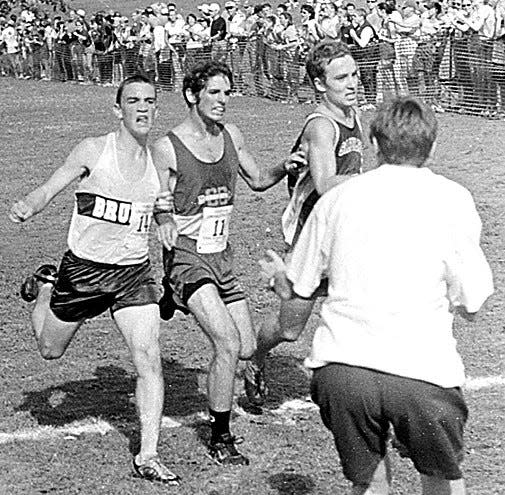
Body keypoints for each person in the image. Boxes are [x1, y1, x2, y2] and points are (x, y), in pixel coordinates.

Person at [259, 97, 493, 495]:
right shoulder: (453, 198)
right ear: (432, 147)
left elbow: (299, 288)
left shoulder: (336, 199)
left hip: (344, 370)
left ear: (373, 143)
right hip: (422, 373)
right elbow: (474, 303)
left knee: (369, 482)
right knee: (441, 479)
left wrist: (283, 282)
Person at [9, 75, 180, 486]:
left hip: (133, 273)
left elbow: (161, 206)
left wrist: (167, 221)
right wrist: (30, 205)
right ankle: (47, 286)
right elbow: (52, 186)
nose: (143, 108)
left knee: (149, 358)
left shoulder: (158, 158)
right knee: (50, 350)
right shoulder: (94, 149)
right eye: (134, 101)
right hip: (84, 271)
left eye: (150, 101)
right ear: (118, 109)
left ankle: (148, 454)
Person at [151, 60, 304, 466]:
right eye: (214, 92)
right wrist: (164, 219)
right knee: (228, 343)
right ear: (192, 95)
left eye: (227, 92)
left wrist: (284, 166)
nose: (222, 100)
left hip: (222, 256)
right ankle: (221, 436)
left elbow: (256, 180)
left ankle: (172, 298)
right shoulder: (167, 146)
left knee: (249, 346)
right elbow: (154, 197)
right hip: (187, 257)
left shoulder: (231, 135)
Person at [244, 40, 364, 407]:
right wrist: (382, 181)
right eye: (341, 77)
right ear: (319, 84)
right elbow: (327, 184)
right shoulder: (321, 126)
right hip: (312, 235)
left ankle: (363, 390)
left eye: (355, 74)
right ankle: (256, 358)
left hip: (346, 231)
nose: (352, 82)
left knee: (364, 308)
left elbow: (353, 172)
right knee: (290, 328)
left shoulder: (354, 114)